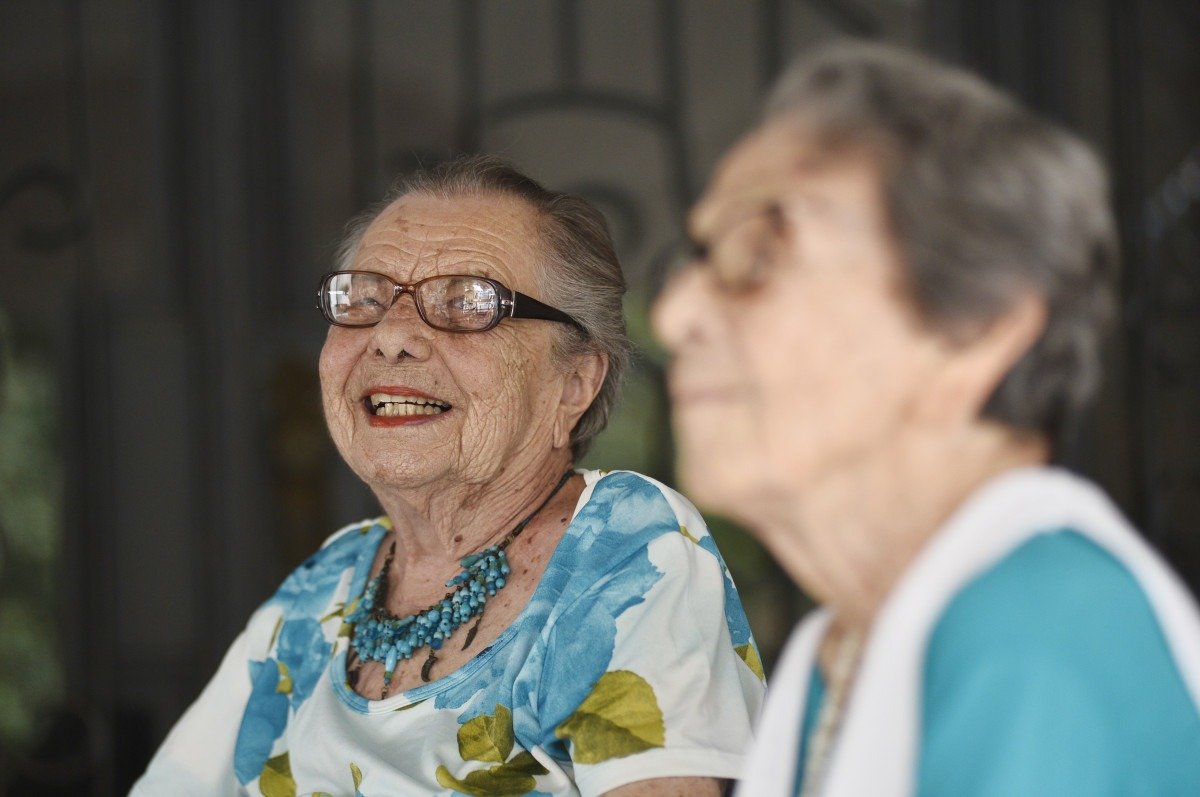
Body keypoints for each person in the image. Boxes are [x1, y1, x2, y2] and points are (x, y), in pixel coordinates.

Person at [653, 42, 1200, 797]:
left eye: (757, 251)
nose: (675, 312)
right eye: (699, 258)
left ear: (973, 332)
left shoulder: (1038, 633)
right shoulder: (843, 656)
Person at [131, 156, 764, 796]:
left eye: (466, 302)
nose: (391, 336)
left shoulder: (624, 545)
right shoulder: (324, 589)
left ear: (574, 382)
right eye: (364, 299)